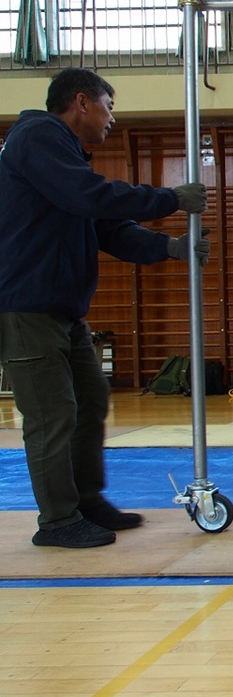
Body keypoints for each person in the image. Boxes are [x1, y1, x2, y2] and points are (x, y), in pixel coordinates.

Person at [0, 68, 210, 549]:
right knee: (52, 415)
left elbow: (104, 226)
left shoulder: (62, 154)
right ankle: (57, 521)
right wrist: (169, 198)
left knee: (90, 399)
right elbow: (92, 196)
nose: (112, 118)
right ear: (82, 102)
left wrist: (168, 247)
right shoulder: (37, 138)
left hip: (59, 309)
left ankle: (85, 500)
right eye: (109, 106)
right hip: (27, 307)